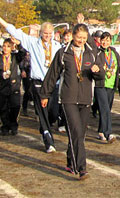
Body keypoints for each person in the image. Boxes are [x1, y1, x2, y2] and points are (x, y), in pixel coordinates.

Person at [40, 23, 104, 180]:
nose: (81, 40)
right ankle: (81, 168)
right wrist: (45, 95)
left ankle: (70, 161)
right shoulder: (63, 53)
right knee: (75, 131)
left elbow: (101, 75)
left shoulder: (91, 53)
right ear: (73, 36)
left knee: (79, 134)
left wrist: (98, 71)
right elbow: (52, 74)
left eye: (83, 38)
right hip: (68, 98)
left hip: (85, 98)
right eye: (78, 37)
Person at [0, 16, 62, 153]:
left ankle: (45, 126)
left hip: (53, 83)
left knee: (53, 113)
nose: (47, 36)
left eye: (50, 34)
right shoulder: (33, 43)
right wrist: (2, 21)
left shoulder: (57, 46)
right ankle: (48, 141)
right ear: (40, 33)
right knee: (43, 112)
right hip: (38, 82)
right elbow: (16, 32)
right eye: (45, 33)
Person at [93, 32, 120, 143]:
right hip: (100, 84)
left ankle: (101, 131)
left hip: (111, 86)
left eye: (107, 40)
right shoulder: (96, 52)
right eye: (103, 40)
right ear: (100, 41)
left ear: (110, 41)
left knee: (106, 110)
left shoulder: (114, 52)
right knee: (105, 109)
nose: (105, 42)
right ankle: (108, 133)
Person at [0, 38, 26, 135]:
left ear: (12, 48)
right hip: (2, 86)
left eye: (8, 46)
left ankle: (13, 125)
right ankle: (5, 126)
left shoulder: (15, 57)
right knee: (3, 108)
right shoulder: (0, 57)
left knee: (15, 106)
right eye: (4, 46)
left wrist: (18, 44)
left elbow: (23, 53)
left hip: (14, 86)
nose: (6, 48)